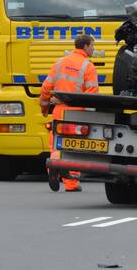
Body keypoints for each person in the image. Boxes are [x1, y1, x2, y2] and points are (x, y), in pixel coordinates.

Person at [40, 33, 100, 192]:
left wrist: (45, 108)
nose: (94, 49)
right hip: (77, 114)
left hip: (59, 111)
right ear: (86, 46)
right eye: (92, 46)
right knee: (73, 147)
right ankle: (71, 184)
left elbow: (46, 87)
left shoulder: (59, 63)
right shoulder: (88, 66)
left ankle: (53, 167)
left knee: (56, 145)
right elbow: (92, 94)